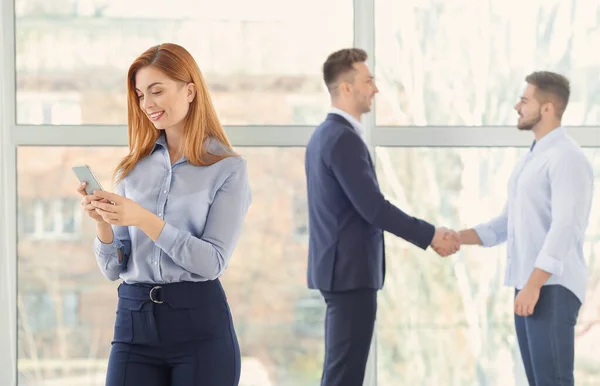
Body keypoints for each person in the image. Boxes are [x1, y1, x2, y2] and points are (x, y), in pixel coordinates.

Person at [76, 43, 251, 386]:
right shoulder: (132, 169)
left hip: (200, 328)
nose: (148, 104)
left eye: (157, 91)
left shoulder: (228, 169)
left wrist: (143, 218)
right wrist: (102, 223)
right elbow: (114, 268)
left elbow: (211, 261)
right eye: (141, 95)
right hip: (133, 321)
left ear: (190, 91)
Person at [305, 48, 460, 386]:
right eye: (368, 81)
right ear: (346, 88)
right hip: (349, 274)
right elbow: (373, 208)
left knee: (342, 370)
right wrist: (431, 234)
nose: (375, 89)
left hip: (341, 271)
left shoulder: (326, 135)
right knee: (344, 375)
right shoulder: (342, 138)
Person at [458, 71, 592, 386]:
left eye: (525, 100)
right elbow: (509, 222)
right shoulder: (532, 159)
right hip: (530, 285)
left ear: (547, 109)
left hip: (551, 287)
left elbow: (565, 227)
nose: (517, 106)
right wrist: (458, 237)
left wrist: (533, 285)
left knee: (553, 381)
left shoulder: (567, 158)